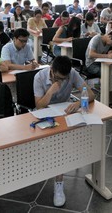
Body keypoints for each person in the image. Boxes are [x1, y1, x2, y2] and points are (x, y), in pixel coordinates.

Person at [33, 56, 95, 207]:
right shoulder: (39, 77)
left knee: (66, 142)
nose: (62, 81)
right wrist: (50, 91)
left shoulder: (71, 73)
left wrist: (78, 103)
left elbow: (91, 94)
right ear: (51, 70)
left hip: (64, 114)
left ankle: (60, 178)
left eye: (64, 79)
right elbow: (39, 105)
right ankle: (59, 184)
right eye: (59, 78)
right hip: (45, 116)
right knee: (58, 146)